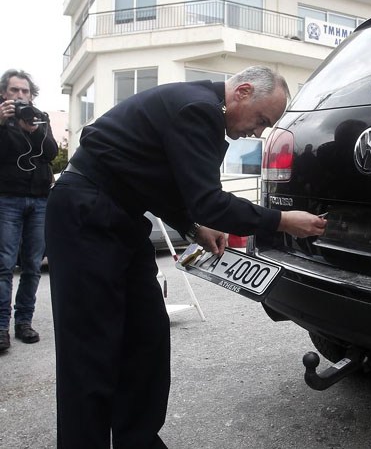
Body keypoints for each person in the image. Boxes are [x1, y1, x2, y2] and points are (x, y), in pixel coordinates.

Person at [45, 66, 326, 449]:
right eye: (262, 120)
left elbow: (157, 179)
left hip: (121, 215)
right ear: (242, 91)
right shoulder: (197, 109)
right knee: (89, 350)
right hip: (87, 213)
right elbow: (207, 199)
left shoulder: (196, 107)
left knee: (147, 336)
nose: (258, 132)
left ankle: (138, 440)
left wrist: (193, 227)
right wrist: (281, 221)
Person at [0, 69, 58, 352]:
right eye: (14, 91)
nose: (20, 96)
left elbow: (50, 153)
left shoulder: (40, 117)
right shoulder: (1, 119)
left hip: (39, 200)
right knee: (4, 265)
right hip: (7, 199)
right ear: (4, 94)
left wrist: (35, 131)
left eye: (25, 91)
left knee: (33, 265)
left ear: (31, 94)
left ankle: (24, 322)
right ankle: (1, 328)